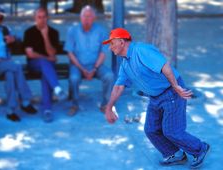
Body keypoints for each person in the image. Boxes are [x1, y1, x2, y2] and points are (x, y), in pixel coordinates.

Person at [103, 28, 210, 169]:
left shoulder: (141, 51)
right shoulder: (125, 64)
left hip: (171, 91)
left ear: (121, 42)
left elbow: (164, 66)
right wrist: (109, 107)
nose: (110, 48)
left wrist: (176, 86)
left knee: (172, 131)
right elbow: (118, 86)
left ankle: (200, 148)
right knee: (151, 129)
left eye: (112, 43)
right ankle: (175, 154)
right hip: (154, 96)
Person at [0, 6, 37, 122]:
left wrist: (14, 39)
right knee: (16, 66)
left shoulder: (5, 30)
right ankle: (25, 101)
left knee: (10, 74)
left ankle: (10, 110)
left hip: (4, 65)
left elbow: (19, 39)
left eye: (0, 18)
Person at [64, 5, 114, 115]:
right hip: (77, 65)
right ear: (80, 17)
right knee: (74, 78)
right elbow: (70, 53)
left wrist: (94, 69)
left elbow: (103, 52)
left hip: (96, 65)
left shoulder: (101, 31)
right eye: (84, 16)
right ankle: (74, 104)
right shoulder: (72, 31)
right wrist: (82, 69)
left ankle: (105, 104)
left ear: (94, 18)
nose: (86, 19)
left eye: (89, 16)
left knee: (109, 76)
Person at [23, 7, 66, 123]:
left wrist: (45, 36)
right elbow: (30, 54)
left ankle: (47, 110)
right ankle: (57, 87)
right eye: (39, 17)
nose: (42, 20)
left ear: (48, 18)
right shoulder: (29, 32)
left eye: (44, 17)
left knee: (45, 75)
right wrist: (47, 58)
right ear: (35, 18)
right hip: (33, 65)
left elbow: (52, 52)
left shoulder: (53, 33)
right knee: (44, 63)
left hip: (48, 69)